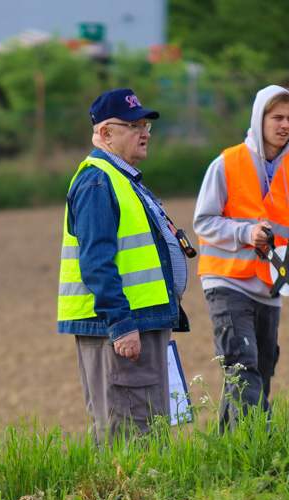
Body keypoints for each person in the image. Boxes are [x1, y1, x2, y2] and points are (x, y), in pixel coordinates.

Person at [58, 88, 191, 446]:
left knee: (150, 428)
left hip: (141, 323)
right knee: (129, 435)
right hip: (121, 329)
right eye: (133, 125)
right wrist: (120, 323)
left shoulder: (122, 178)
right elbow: (97, 261)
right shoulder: (98, 181)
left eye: (145, 124)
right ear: (105, 134)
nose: (145, 132)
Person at [193, 85, 289, 433]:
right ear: (259, 118)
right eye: (277, 117)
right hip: (225, 281)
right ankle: (259, 449)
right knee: (242, 364)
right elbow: (203, 222)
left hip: (271, 287)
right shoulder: (226, 164)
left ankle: (229, 456)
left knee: (259, 372)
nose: (285, 125)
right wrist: (245, 233)